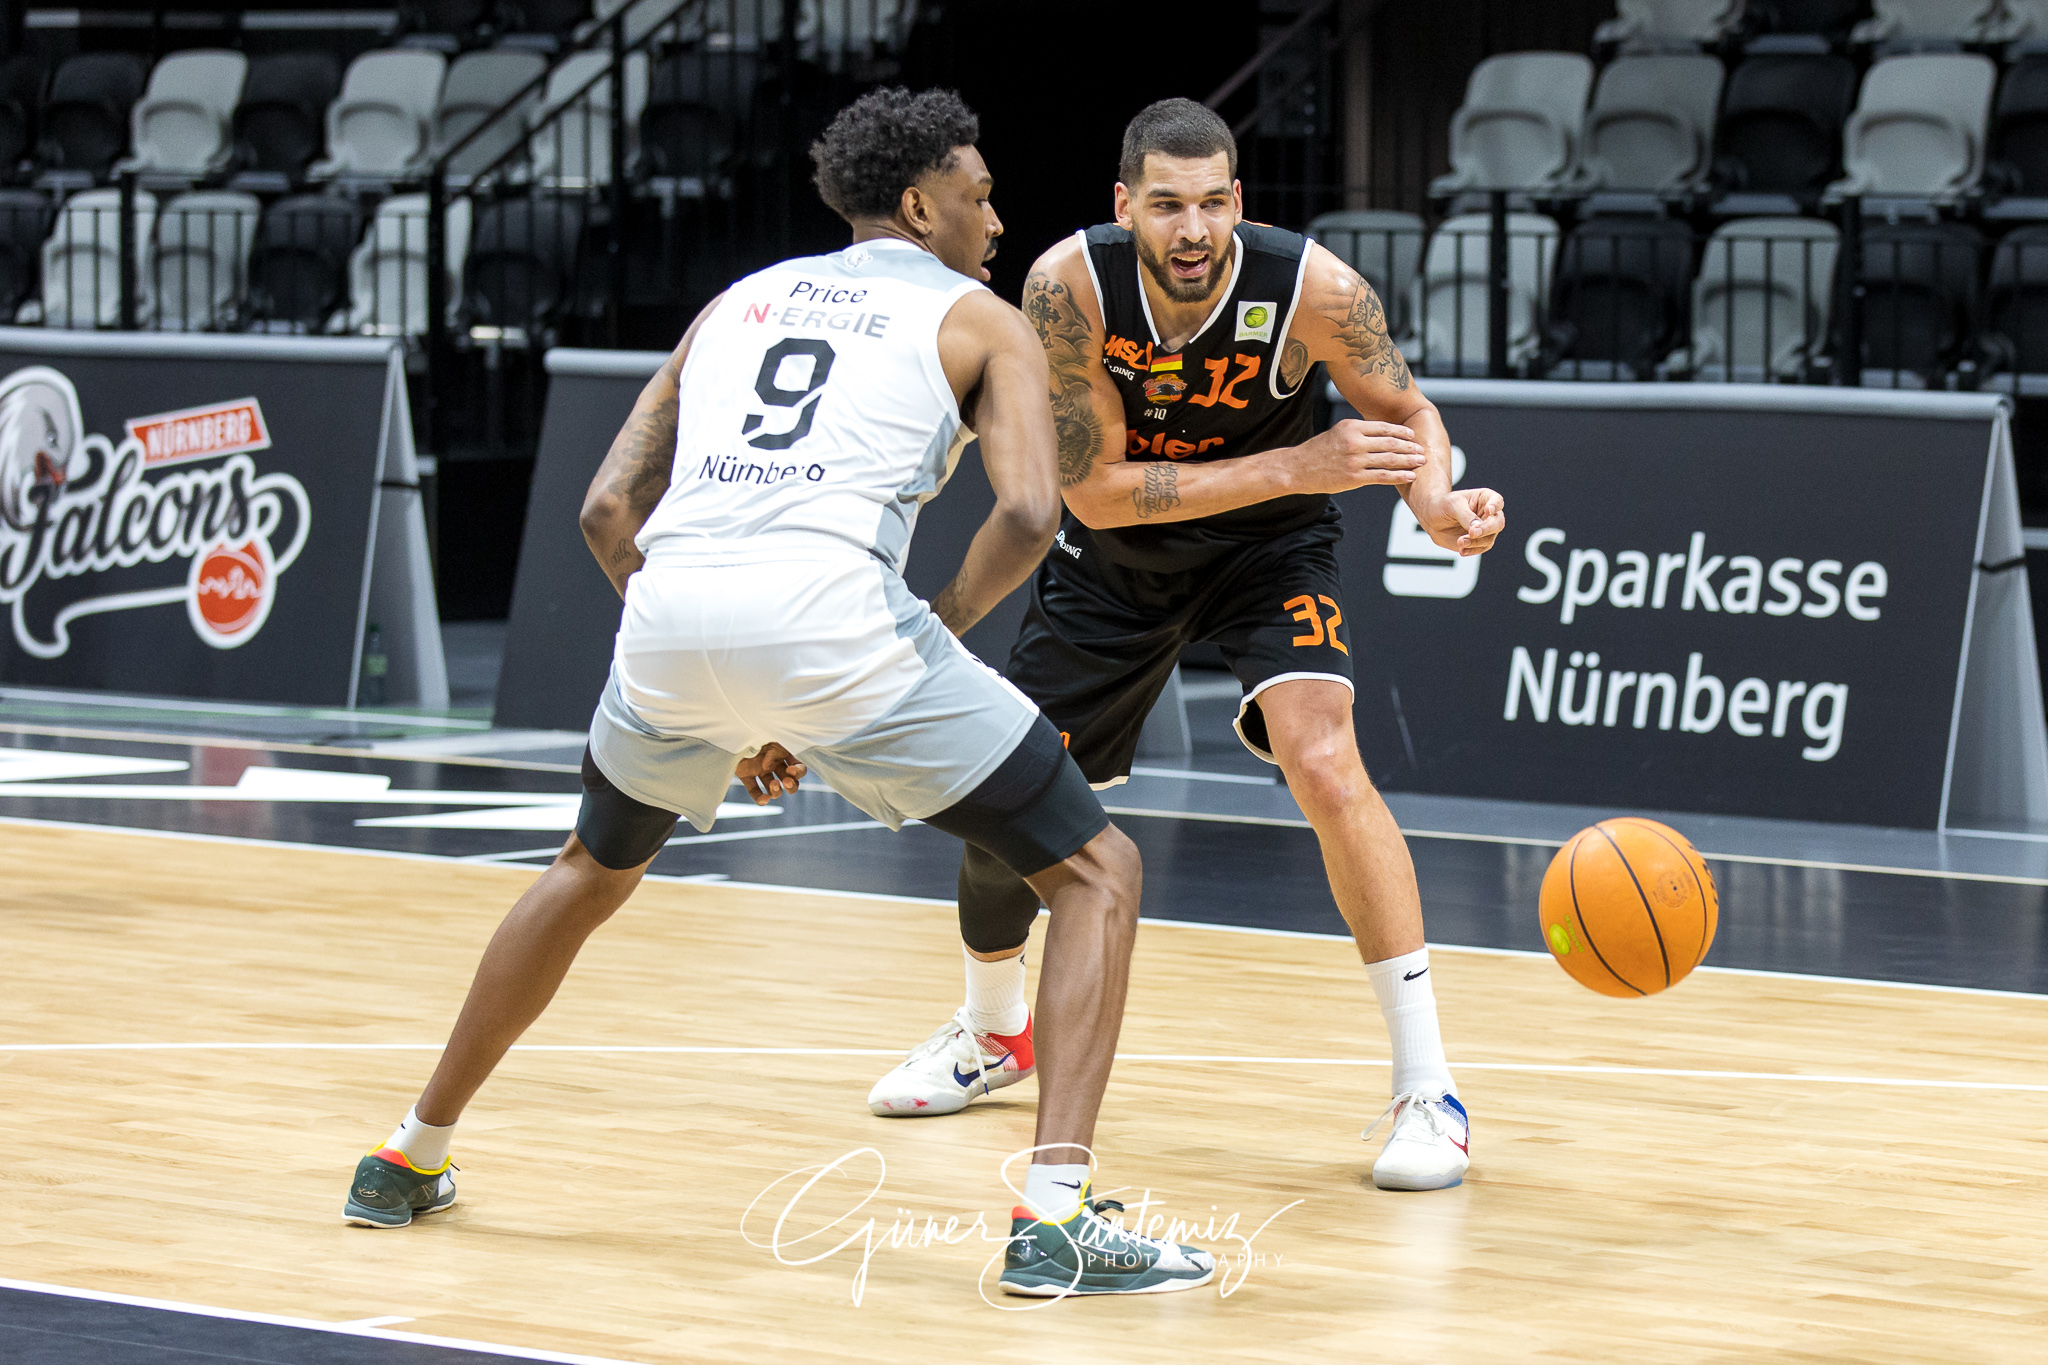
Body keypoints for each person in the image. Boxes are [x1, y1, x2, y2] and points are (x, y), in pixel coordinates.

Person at [341, 87, 1213, 1298]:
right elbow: (1026, 512)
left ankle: (407, 1153)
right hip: (834, 617)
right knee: (1095, 869)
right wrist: (921, 636)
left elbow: (605, 510)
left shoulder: (731, 303)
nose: (997, 218)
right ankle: (1055, 1222)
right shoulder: (980, 319)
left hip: (669, 611)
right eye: (978, 192)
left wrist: (727, 685)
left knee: (586, 871)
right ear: (919, 204)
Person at [866, 98, 1507, 1193]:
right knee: (1009, 801)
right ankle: (992, 1030)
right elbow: (1099, 496)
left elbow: (1408, 412)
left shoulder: (1315, 289)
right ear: (1125, 208)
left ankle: (1425, 1088)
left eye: (1212, 202)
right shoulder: (1067, 289)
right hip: (1117, 563)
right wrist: (1295, 467)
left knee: (1322, 756)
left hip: (1269, 553)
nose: (1192, 229)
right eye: (1166, 205)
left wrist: (1435, 499)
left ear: (1238, 204)